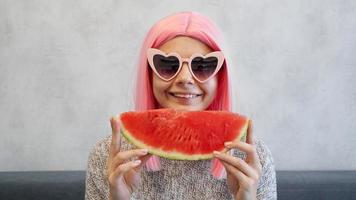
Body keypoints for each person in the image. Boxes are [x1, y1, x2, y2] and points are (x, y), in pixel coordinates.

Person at [85, 11, 277, 200]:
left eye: (203, 66)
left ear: (220, 77)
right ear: (149, 74)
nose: (185, 79)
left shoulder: (253, 160)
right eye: (167, 64)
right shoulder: (108, 157)